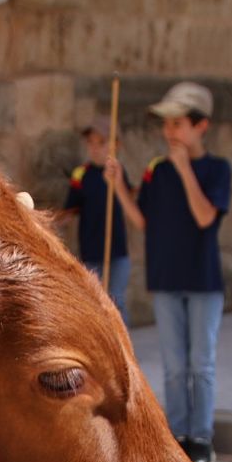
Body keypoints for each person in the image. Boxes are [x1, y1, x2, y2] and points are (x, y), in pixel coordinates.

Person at [105, 81, 231, 462]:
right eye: (167, 125)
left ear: (200, 126)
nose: (169, 132)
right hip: (165, 276)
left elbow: (205, 217)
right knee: (175, 364)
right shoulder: (156, 171)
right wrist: (119, 187)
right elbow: (144, 221)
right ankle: (178, 435)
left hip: (203, 280)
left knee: (201, 363)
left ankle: (202, 436)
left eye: (178, 124)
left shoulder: (216, 169)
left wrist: (185, 170)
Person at [62, 117, 131, 324]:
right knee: (94, 304)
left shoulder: (117, 172)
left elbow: (128, 199)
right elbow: (70, 209)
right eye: (91, 142)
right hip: (91, 250)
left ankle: (121, 348)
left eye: (101, 142)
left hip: (116, 251)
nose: (95, 148)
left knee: (116, 300)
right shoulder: (80, 174)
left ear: (115, 145)